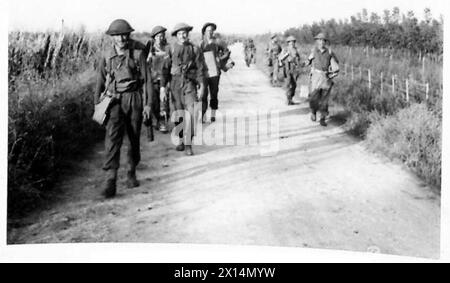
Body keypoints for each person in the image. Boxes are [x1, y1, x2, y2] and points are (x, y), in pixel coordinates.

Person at [94, 19, 152, 198]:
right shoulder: (106, 55)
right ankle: (110, 179)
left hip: (134, 98)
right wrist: (97, 105)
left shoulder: (138, 52)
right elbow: (100, 81)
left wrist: (148, 105)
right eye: (118, 35)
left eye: (125, 34)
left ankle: (131, 171)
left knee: (134, 137)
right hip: (114, 100)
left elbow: (148, 79)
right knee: (112, 139)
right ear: (112, 37)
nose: (121, 38)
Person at [170, 23, 205, 156]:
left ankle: (189, 144)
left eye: (184, 33)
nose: (182, 36)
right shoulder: (171, 49)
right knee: (179, 114)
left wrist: (201, 85)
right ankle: (180, 140)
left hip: (190, 84)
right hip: (175, 84)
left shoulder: (194, 49)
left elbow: (200, 68)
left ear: (188, 34)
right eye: (179, 33)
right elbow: (165, 69)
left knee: (192, 113)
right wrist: (163, 87)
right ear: (176, 36)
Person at [304, 32, 339, 127]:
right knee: (313, 97)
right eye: (319, 40)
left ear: (325, 42)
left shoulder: (330, 52)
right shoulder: (314, 51)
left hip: (326, 77)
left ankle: (322, 118)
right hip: (316, 76)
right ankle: (313, 112)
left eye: (323, 40)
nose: (321, 42)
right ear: (316, 41)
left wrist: (332, 71)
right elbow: (306, 63)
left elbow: (336, 63)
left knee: (324, 99)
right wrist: (308, 60)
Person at [199, 22, 231, 123]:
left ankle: (213, 115)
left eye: (212, 30)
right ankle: (203, 115)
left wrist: (220, 59)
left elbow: (227, 52)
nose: (210, 32)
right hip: (204, 72)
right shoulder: (200, 43)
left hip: (215, 72)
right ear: (204, 32)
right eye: (208, 30)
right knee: (203, 94)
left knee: (214, 94)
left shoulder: (218, 42)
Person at [146, 25, 172, 133]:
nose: (160, 38)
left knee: (164, 102)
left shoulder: (168, 48)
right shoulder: (150, 48)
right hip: (153, 79)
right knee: (155, 102)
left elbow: (171, 63)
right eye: (157, 36)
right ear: (154, 37)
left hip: (165, 79)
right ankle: (157, 119)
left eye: (162, 36)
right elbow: (146, 63)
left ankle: (162, 122)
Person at [279, 36, 301, 105]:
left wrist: (298, 64)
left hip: (294, 69)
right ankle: (288, 99)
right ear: (288, 43)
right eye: (290, 42)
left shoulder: (296, 50)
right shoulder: (285, 50)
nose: (292, 43)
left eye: (293, 42)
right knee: (288, 84)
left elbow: (298, 59)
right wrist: (287, 54)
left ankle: (291, 98)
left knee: (294, 85)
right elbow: (280, 58)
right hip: (287, 68)